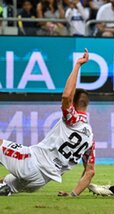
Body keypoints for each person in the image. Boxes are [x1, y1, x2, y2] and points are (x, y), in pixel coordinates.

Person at [0, 49, 95, 197]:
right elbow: (90, 172)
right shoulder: (90, 139)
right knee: (3, 184)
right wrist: (72, 195)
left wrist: (77, 65)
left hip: (31, 162)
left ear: (74, 102)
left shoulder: (73, 120)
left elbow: (65, 97)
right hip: (40, 181)